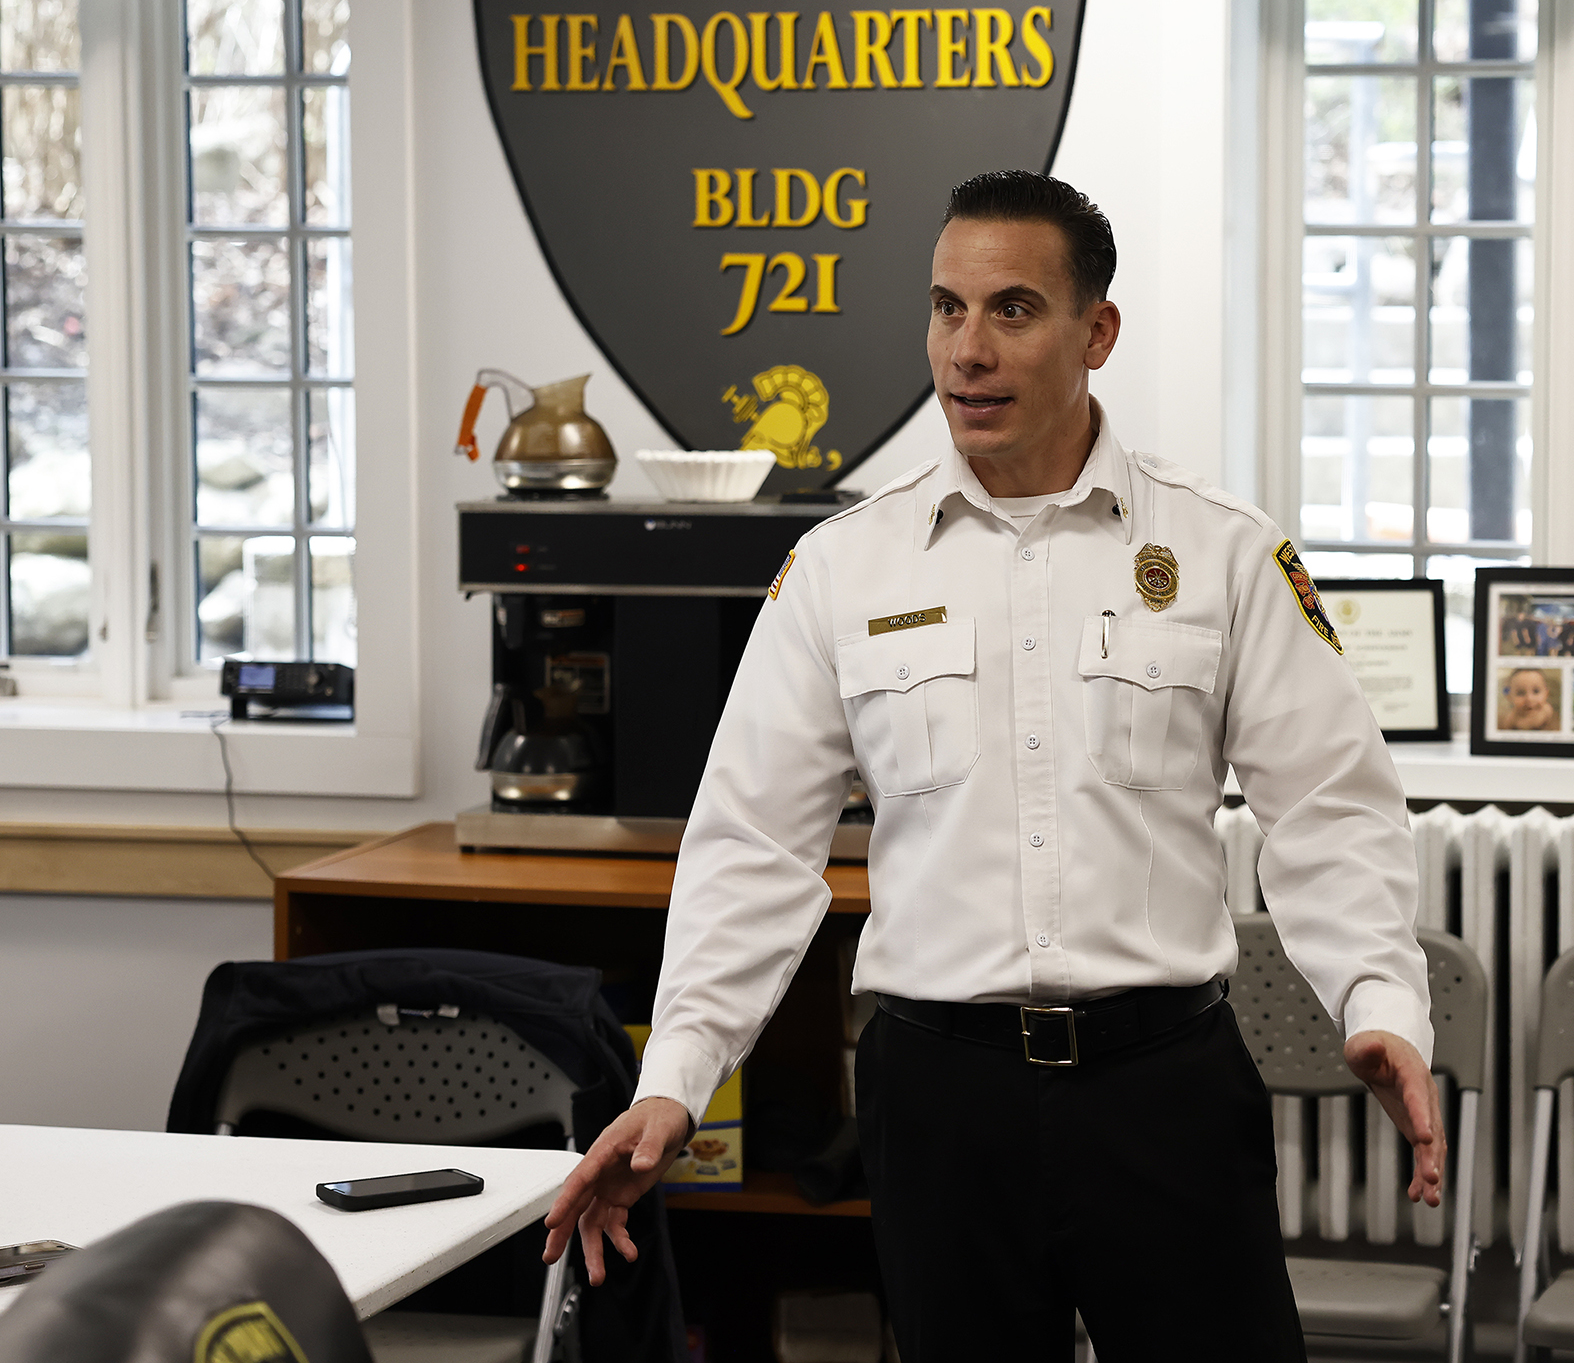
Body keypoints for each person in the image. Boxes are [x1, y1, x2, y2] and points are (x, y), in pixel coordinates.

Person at [540, 171, 1443, 1362]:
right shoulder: (841, 569)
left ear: (1096, 331)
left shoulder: (1221, 548)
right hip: (937, 1100)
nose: (968, 349)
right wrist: (676, 1075)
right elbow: (752, 846)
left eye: (1013, 308)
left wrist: (1377, 999)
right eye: (946, 309)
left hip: (1163, 1089)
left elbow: (1332, 803)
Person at [1499, 666, 1558, 731]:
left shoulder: (1547, 712)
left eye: (1536, 691)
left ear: (1546, 694)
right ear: (1509, 697)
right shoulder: (1511, 717)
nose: (1529, 699)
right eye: (1520, 693)